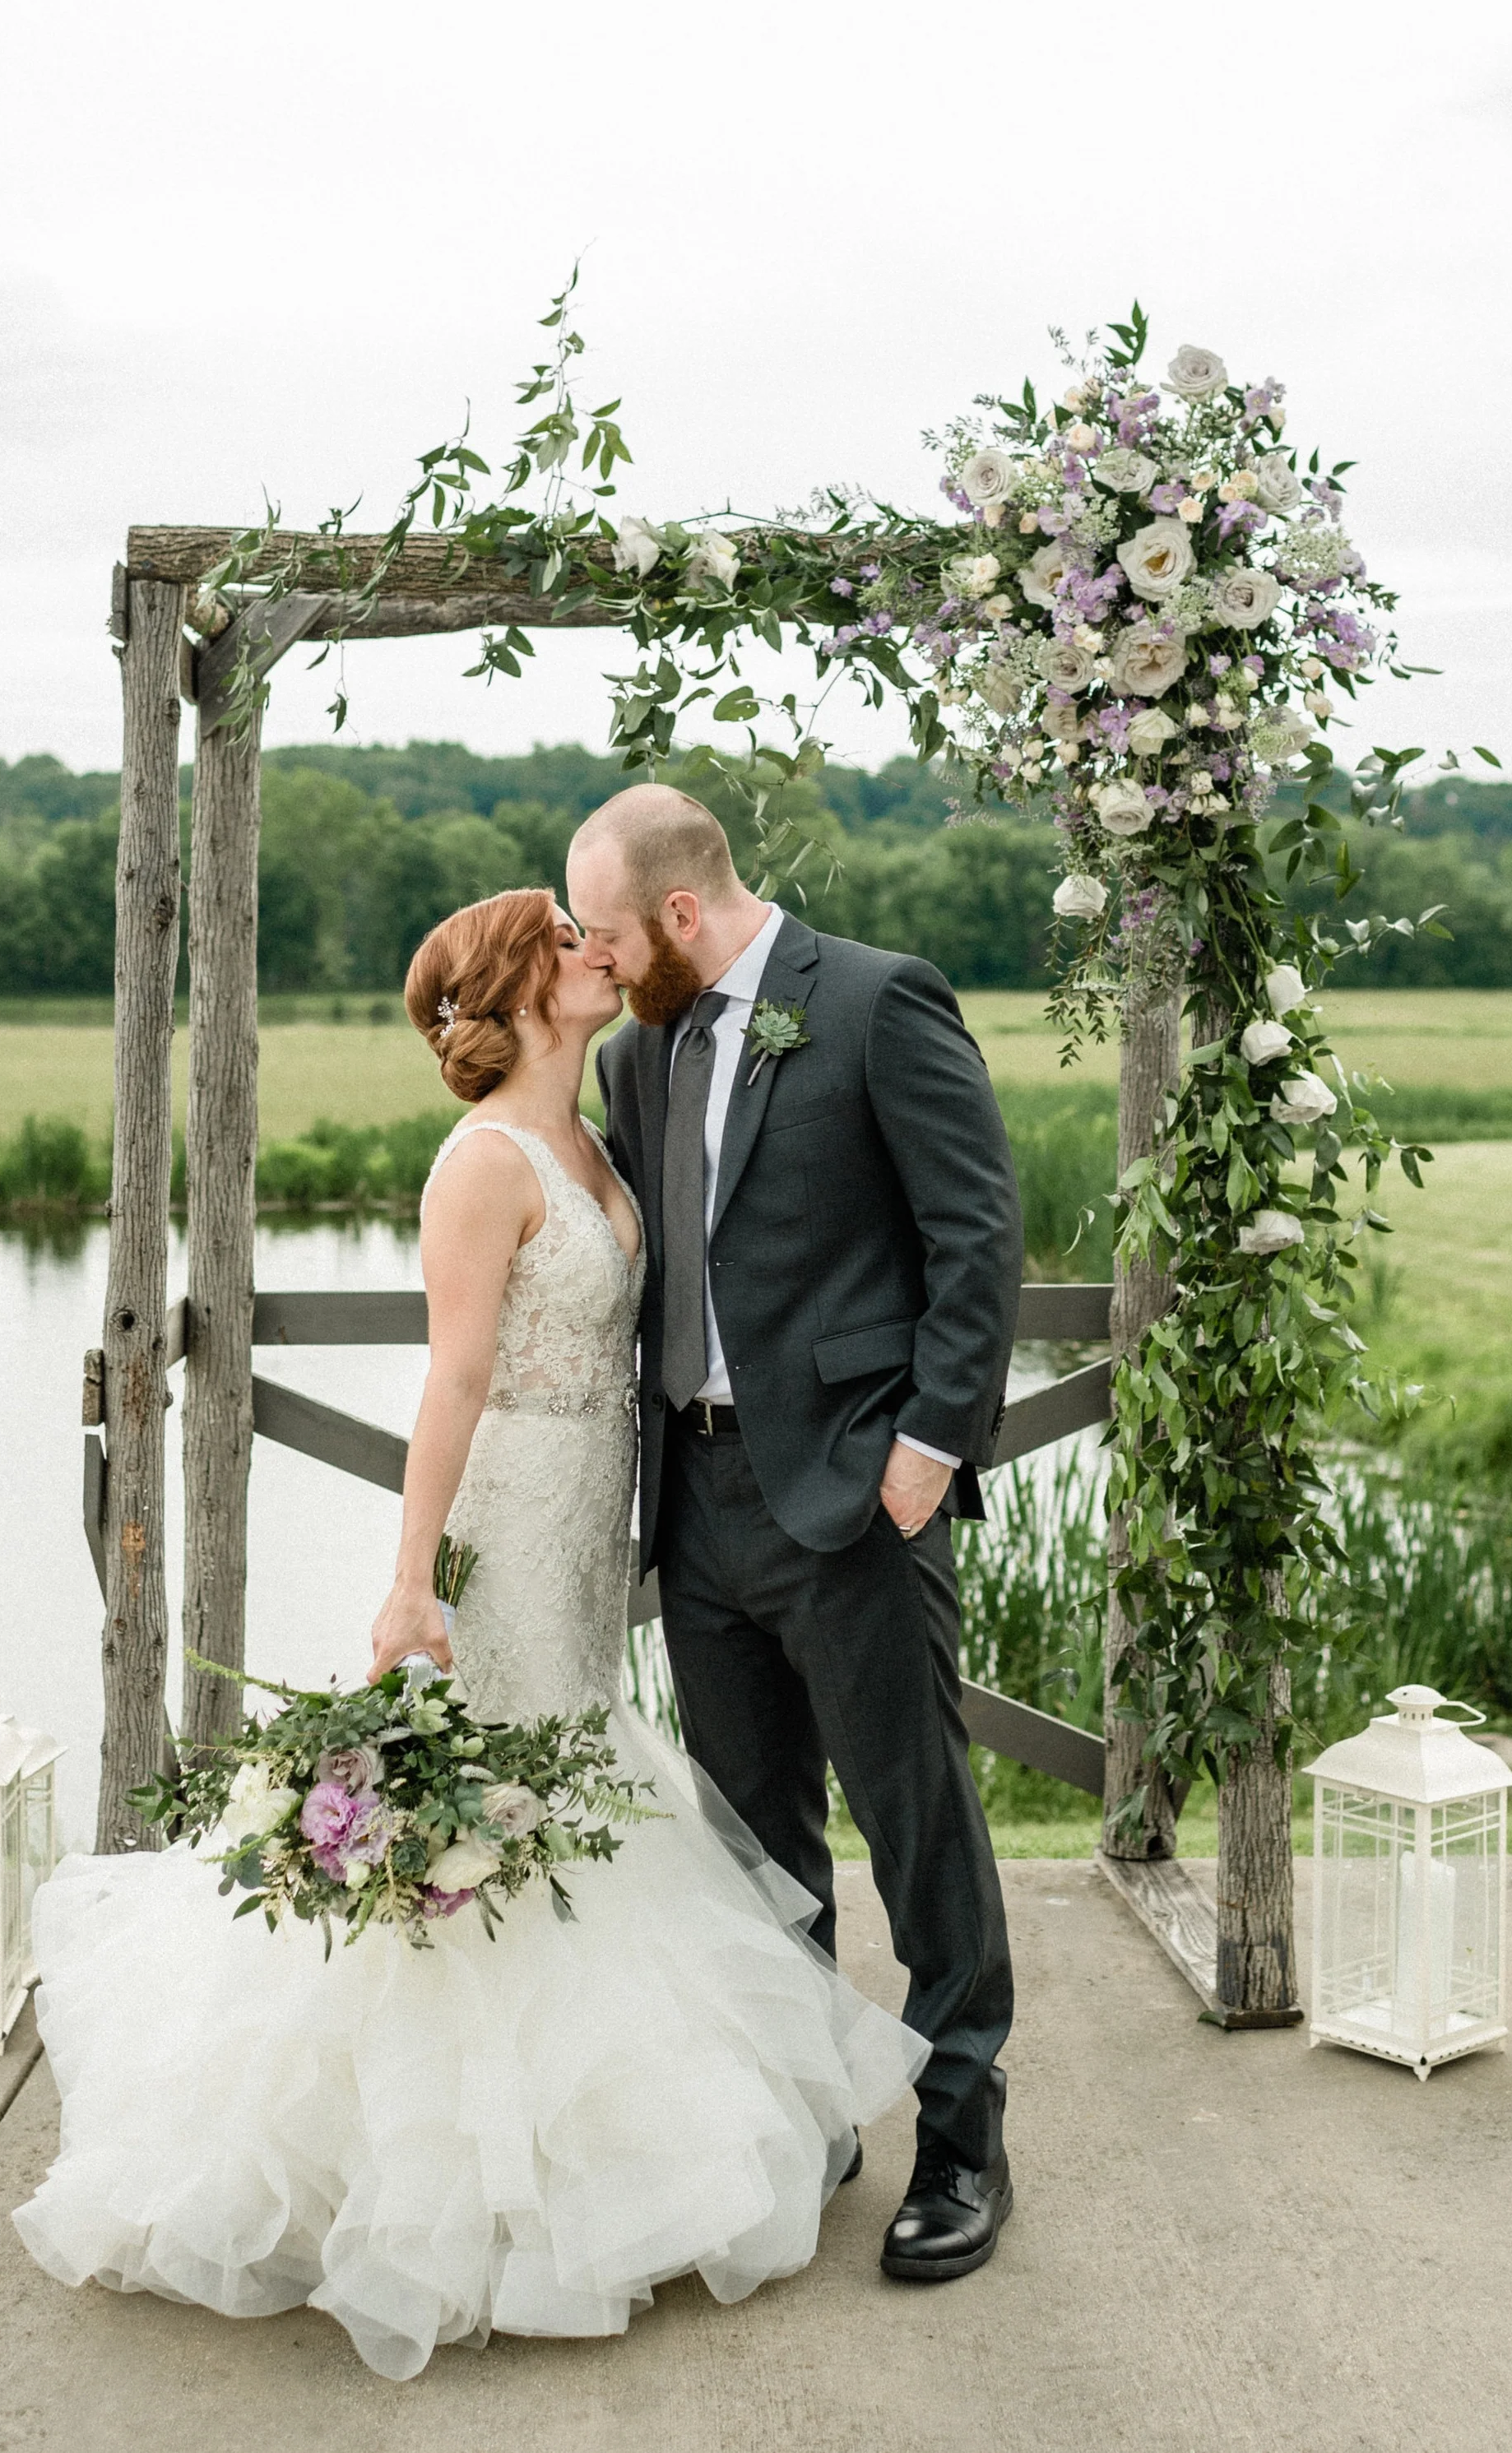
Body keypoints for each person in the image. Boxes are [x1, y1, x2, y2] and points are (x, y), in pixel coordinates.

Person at [13, 887, 925, 2381]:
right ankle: (466, 2183)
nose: (597, 950)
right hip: (507, 1512)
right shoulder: (484, 1163)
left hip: (592, 1522)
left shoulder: (599, 1134)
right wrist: (409, 1579)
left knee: (571, 1790)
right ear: (520, 984)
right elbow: (449, 1386)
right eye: (567, 939)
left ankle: (589, 2145)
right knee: (503, 1802)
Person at [567, 786, 1023, 2283]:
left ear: (683, 916)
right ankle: (805, 2115)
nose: (604, 961)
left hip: (852, 1496)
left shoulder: (879, 1002)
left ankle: (961, 2139)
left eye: (615, 935)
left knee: (917, 1824)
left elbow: (977, 1233)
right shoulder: (639, 1052)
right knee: (760, 1846)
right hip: (696, 1509)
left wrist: (928, 1450)